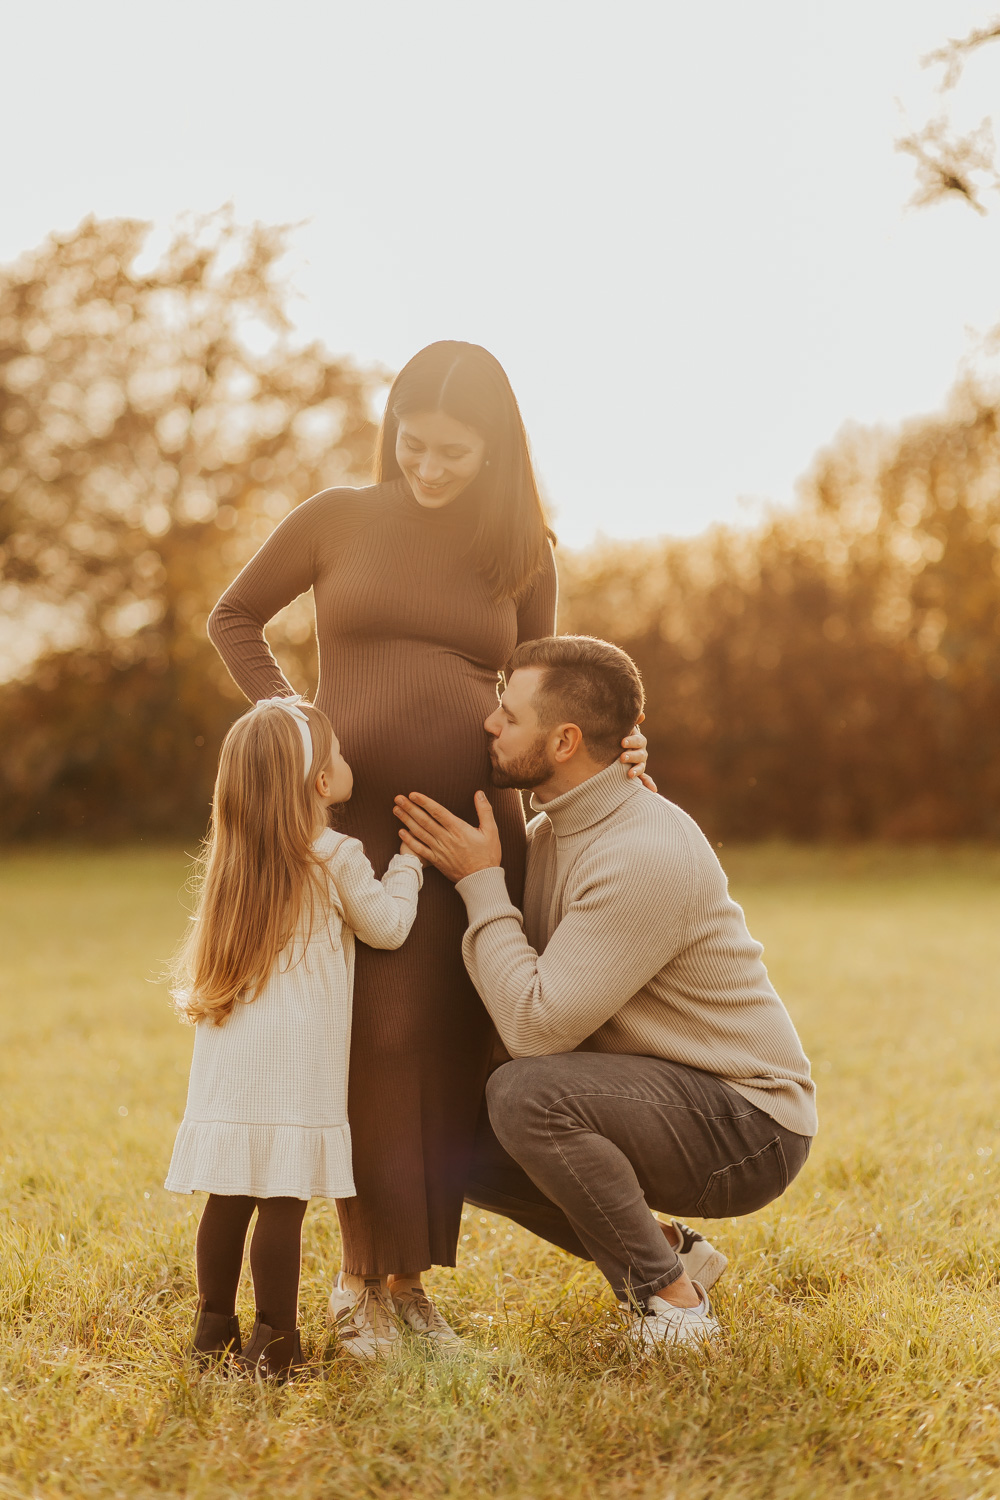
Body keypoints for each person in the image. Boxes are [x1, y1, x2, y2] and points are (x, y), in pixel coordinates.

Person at [207, 341, 649, 1358]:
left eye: (457, 452)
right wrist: (296, 729)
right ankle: (359, 1286)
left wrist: (618, 736)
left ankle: (406, 1288)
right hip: (346, 826)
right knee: (367, 1040)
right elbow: (233, 616)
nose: (433, 466)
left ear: (495, 453)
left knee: (440, 1049)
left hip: (465, 834)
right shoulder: (335, 520)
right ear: (391, 425)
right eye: (417, 443)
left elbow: (547, 683)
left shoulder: (521, 549)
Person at [393, 635, 817, 1352]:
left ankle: (673, 1306)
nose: (490, 724)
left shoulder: (640, 852)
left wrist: (478, 881)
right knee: (449, 1133)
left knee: (527, 1095)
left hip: (750, 1123)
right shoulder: (556, 830)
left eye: (508, 713)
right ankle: (669, 1252)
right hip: (664, 1093)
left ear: (563, 741)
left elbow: (533, 1031)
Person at [165, 696, 422, 1380]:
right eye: (335, 753)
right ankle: (276, 1340)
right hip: (295, 1061)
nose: (346, 761)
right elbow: (389, 927)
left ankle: (213, 1327)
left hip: (230, 1056)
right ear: (318, 783)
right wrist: (410, 866)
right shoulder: (333, 854)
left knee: (229, 1198)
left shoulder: (234, 863)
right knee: (282, 1203)